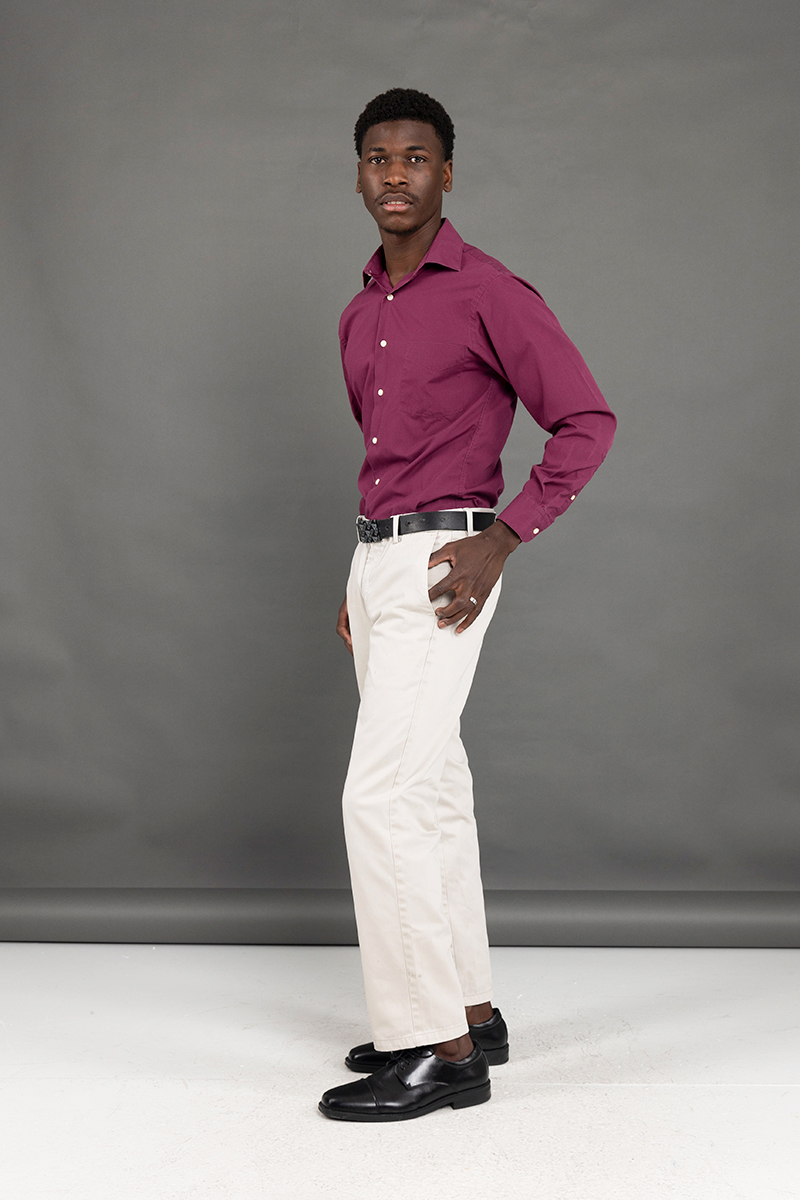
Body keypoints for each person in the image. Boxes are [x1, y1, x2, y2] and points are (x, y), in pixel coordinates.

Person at [318, 88, 616, 1123]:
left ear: (447, 174)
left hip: (450, 563)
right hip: (379, 564)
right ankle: (471, 1011)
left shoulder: (489, 292)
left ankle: (435, 1051)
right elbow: (385, 462)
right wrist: (359, 577)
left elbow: (584, 419)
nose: (394, 174)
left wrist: (504, 536)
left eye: (415, 157)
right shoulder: (360, 311)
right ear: (359, 175)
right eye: (377, 157)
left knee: (381, 799)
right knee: (433, 791)